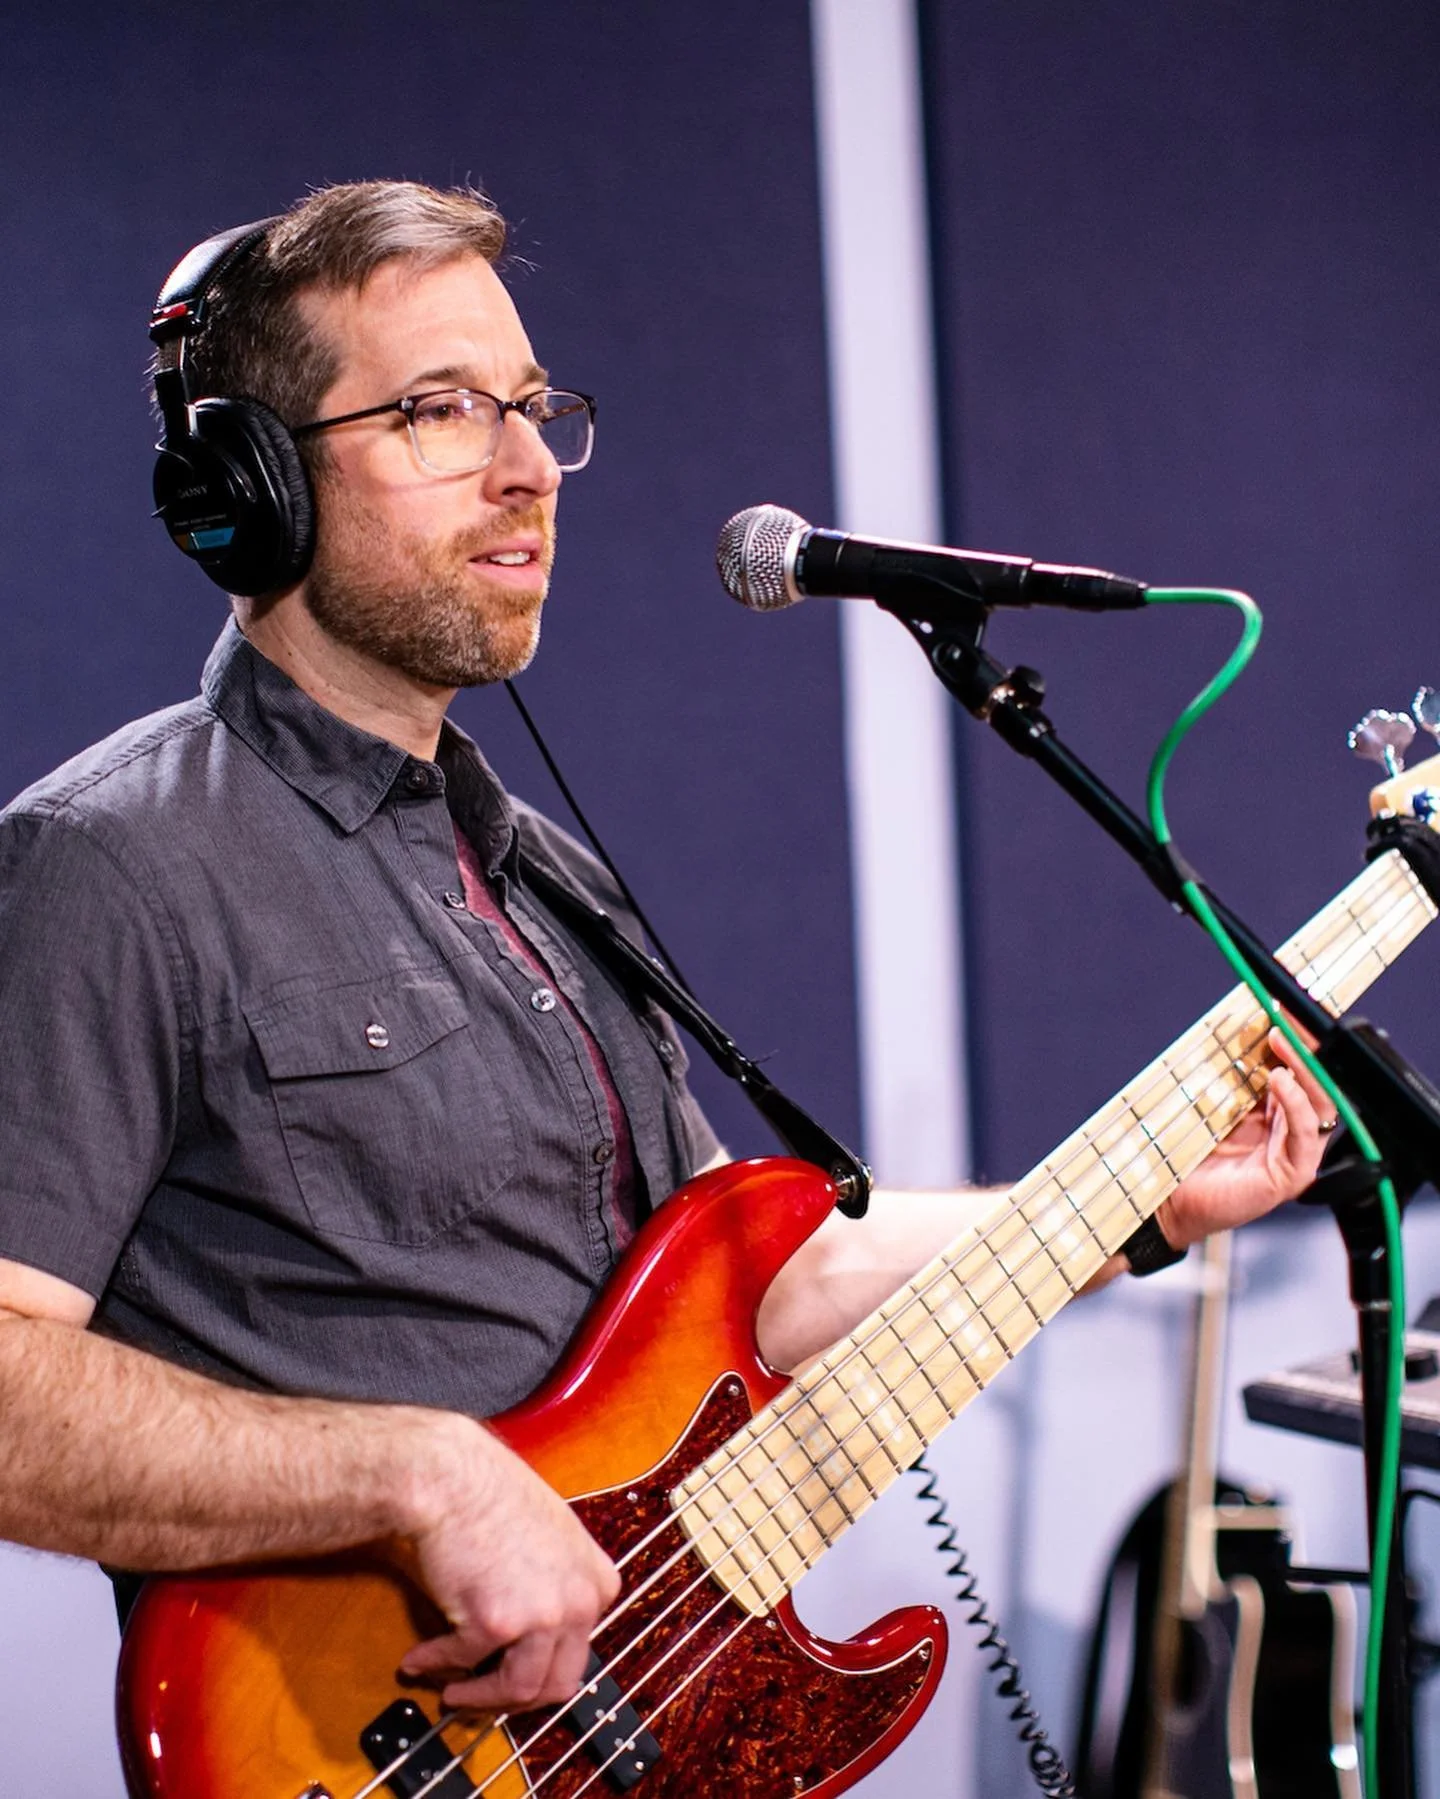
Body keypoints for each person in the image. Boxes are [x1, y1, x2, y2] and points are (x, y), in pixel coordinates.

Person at [0, 179, 1330, 1723]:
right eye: (438, 411)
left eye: (530, 407)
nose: (522, 470)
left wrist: (1130, 1205)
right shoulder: (110, 865)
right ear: (247, 489)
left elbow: (760, 1280)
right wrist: (418, 1473)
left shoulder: (541, 876)